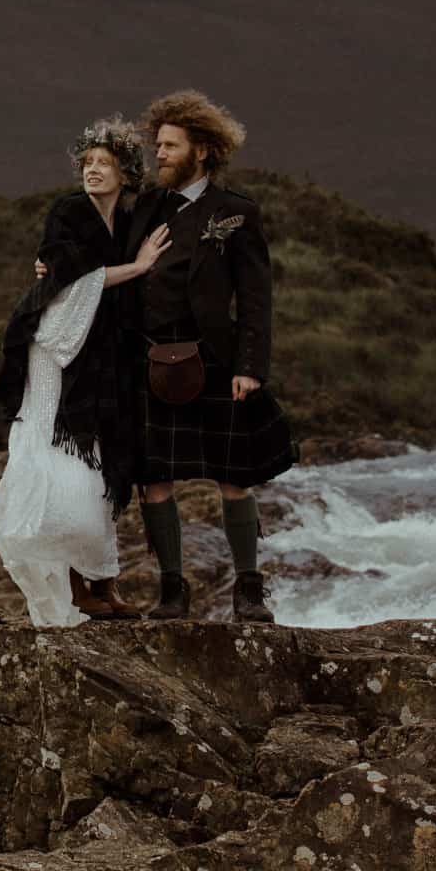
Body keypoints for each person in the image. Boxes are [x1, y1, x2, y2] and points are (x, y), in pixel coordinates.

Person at [120, 89, 298, 622]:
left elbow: (256, 297)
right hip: (150, 358)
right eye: (159, 146)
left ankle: (249, 591)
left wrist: (250, 366)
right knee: (153, 478)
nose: (161, 155)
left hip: (216, 360)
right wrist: (51, 264)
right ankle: (172, 591)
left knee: (233, 475)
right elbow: (105, 251)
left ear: (202, 149)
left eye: (171, 146)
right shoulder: (146, 206)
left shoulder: (237, 212)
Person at [0, 116, 172, 627]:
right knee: (60, 447)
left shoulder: (125, 219)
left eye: (105, 164)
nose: (93, 171)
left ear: (125, 173)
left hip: (99, 351)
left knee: (103, 452)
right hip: (55, 347)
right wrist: (135, 268)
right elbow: (66, 272)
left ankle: (102, 583)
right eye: (88, 163)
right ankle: (74, 582)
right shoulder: (69, 211)